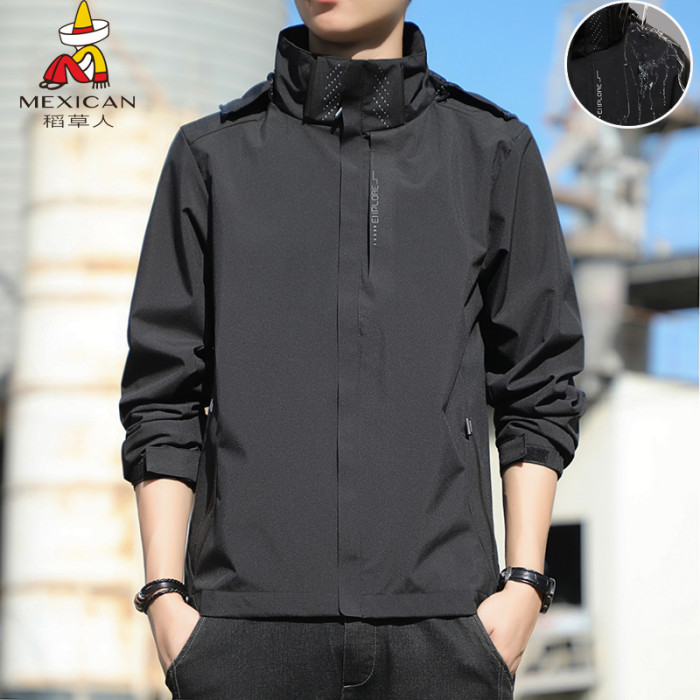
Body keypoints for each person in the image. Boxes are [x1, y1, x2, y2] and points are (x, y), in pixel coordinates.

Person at [119, 1, 586, 698]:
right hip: (243, 637)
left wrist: (522, 585)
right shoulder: (211, 157)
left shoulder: (491, 152)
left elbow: (540, 384)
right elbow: (163, 391)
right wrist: (165, 599)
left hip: (445, 635)